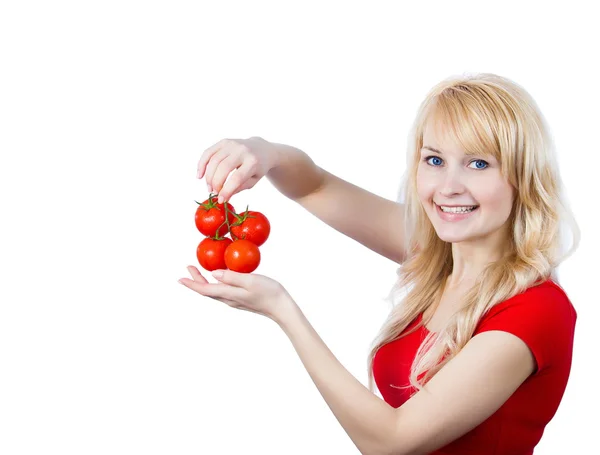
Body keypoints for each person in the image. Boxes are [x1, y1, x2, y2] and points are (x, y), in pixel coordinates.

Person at [182, 72, 580, 454]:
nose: (448, 186)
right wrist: (264, 151)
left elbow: (392, 441)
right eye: (435, 160)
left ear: (523, 176)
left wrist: (282, 309)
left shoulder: (537, 310)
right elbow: (315, 186)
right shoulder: (436, 255)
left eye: (479, 163)